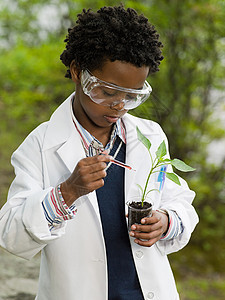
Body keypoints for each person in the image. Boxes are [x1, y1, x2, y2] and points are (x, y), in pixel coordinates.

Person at [0, 5, 198, 300]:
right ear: (78, 72)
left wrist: (166, 221)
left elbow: (180, 201)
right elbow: (11, 236)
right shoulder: (40, 145)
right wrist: (66, 192)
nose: (119, 106)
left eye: (131, 96)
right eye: (107, 92)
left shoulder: (150, 136)